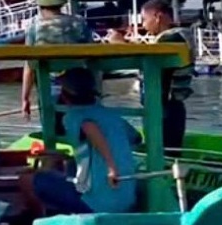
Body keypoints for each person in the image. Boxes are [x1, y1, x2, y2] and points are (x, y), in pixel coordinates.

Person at [19, 68, 138, 216]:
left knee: (27, 179)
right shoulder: (111, 115)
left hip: (96, 204)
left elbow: (90, 128)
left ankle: (35, 219)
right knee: (70, 165)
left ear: (65, 96)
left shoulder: (74, 117)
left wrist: (111, 167)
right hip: (126, 201)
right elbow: (135, 137)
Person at [107, 0, 194, 153]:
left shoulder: (173, 38)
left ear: (157, 17)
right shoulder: (179, 37)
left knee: (162, 151)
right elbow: (152, 52)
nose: (143, 25)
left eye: (144, 19)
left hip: (164, 107)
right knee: (166, 150)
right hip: (168, 106)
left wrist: (120, 44)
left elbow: (152, 59)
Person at [20, 0, 93, 131]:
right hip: (80, 84)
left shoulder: (34, 28)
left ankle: (53, 141)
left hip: (50, 85)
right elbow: (93, 57)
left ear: (40, 5)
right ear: (62, 4)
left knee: (53, 128)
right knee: (83, 125)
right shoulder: (79, 22)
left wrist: (25, 99)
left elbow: (29, 67)